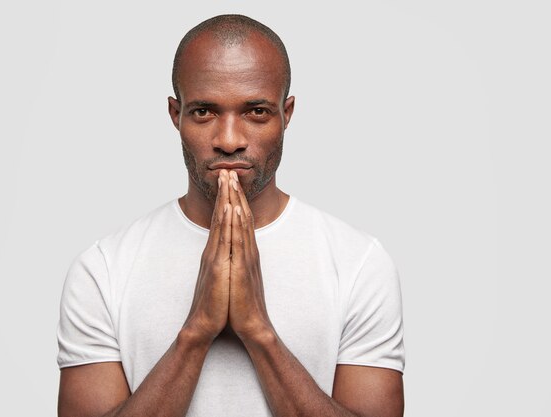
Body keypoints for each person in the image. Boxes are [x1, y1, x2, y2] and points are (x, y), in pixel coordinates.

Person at [57, 14, 405, 417]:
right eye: (204, 112)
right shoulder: (102, 270)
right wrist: (197, 331)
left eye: (256, 111)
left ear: (286, 114)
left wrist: (257, 330)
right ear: (176, 115)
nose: (228, 140)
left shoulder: (359, 262)